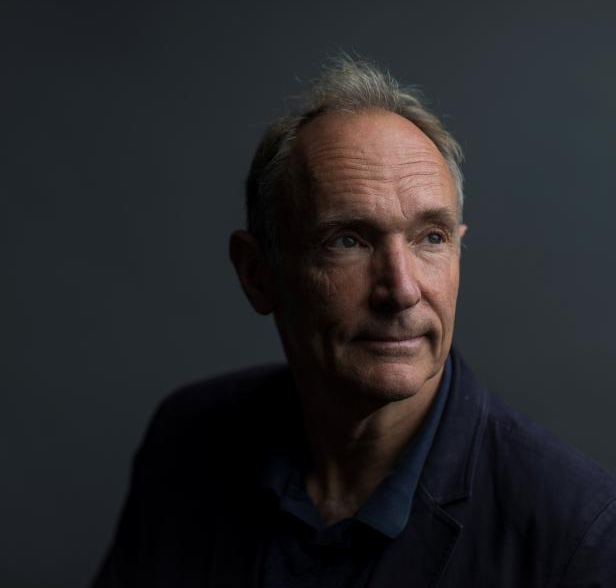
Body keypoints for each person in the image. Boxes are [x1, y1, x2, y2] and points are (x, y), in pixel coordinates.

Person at [92, 57, 616, 587]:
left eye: (430, 238)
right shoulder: (187, 440)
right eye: (348, 240)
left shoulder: (577, 533)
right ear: (257, 274)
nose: (402, 290)